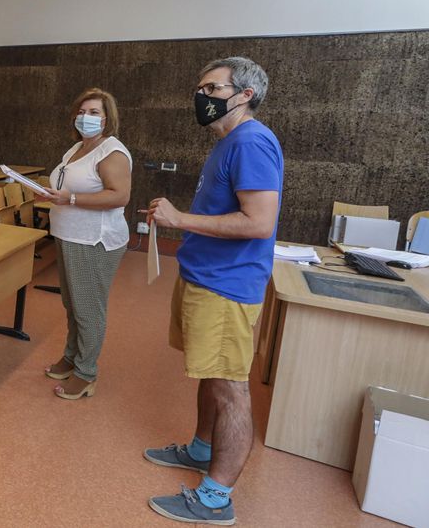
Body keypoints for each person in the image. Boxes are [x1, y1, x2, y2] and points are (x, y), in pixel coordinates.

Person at [144, 57, 283, 526]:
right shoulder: (227, 142)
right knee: (210, 372)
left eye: (212, 87)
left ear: (243, 95)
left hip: (226, 287)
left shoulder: (252, 141)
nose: (201, 95)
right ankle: (202, 451)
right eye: (200, 86)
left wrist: (180, 220)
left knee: (230, 390)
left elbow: (259, 221)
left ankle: (215, 499)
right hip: (204, 278)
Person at [34, 88, 132, 400]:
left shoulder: (111, 152)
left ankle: (86, 372)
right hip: (68, 233)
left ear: (107, 119)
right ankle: (71, 357)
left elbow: (119, 195)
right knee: (72, 303)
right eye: (82, 111)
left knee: (88, 307)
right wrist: (51, 194)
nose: (85, 117)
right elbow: (66, 186)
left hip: (94, 239)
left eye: (94, 113)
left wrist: (71, 198)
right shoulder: (76, 148)